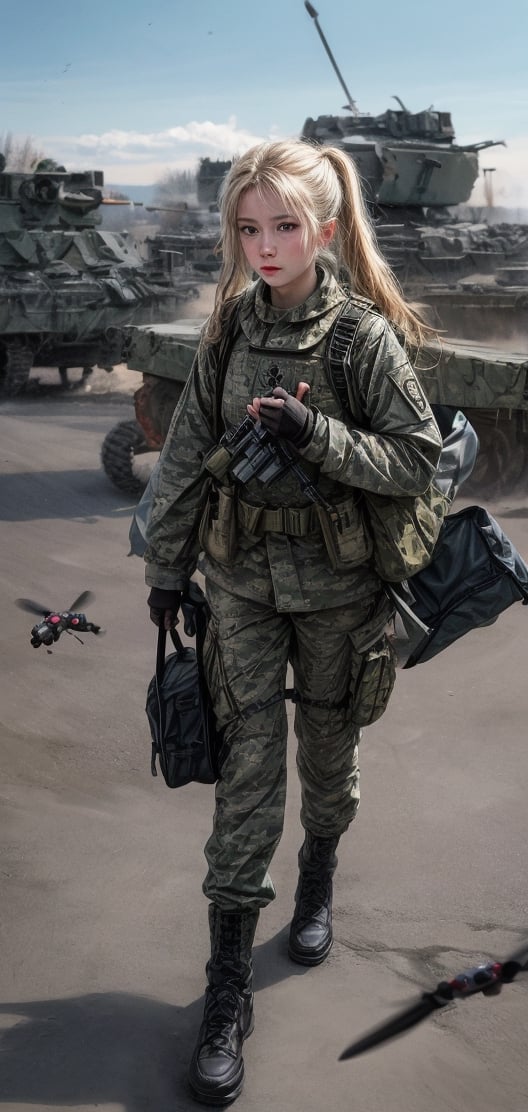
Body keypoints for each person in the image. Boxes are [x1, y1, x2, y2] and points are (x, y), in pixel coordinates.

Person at [144, 138, 442, 1105]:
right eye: (248, 227)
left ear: (321, 227)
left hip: (337, 593)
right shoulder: (229, 329)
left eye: (284, 226)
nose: (265, 246)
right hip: (238, 587)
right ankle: (227, 988)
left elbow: (416, 462)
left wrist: (317, 435)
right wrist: (166, 564)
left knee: (327, 756)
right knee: (243, 777)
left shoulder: (359, 338)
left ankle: (317, 874)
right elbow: (188, 452)